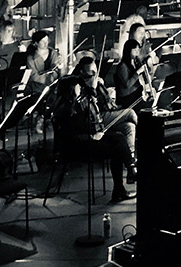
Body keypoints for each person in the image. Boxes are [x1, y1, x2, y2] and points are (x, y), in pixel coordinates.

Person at [54, 57, 138, 202]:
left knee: (120, 137)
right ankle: (123, 183)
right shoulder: (69, 109)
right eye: (77, 88)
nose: (80, 88)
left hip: (92, 136)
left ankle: (129, 170)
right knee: (117, 147)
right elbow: (74, 133)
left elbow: (91, 116)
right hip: (82, 145)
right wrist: (92, 136)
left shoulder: (80, 100)